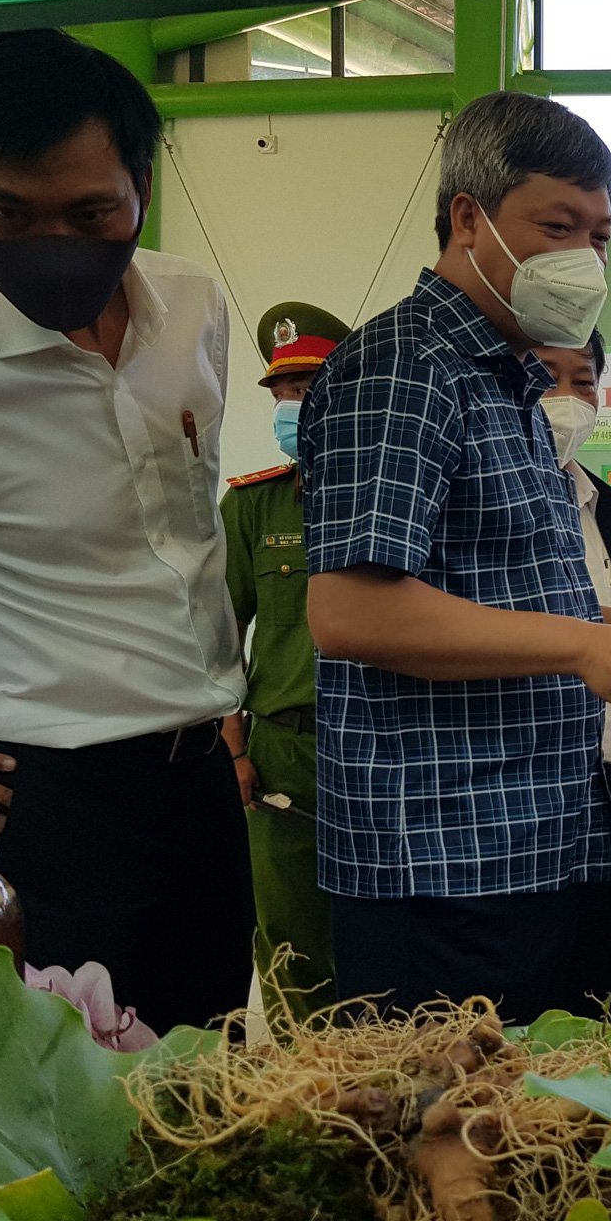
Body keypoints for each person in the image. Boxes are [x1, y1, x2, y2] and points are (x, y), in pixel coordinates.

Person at [301, 91, 611, 1023]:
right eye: (557, 227)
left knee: (550, 1135)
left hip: (540, 842)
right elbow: (352, 611)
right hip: (443, 862)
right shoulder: (405, 367)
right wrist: (585, 650)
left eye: (600, 234)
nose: (585, 259)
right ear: (469, 218)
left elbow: (473, 588)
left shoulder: (507, 377)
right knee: (455, 1140)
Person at [0, 30, 251, 1032]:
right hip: (35, 805)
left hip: (202, 791)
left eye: (89, 211)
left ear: (142, 185)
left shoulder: (194, 308)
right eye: (7, 214)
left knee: (203, 1085)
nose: (54, 241)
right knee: (59, 1122)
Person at [218, 302, 350, 1018]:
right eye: (283, 393)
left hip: (383, 747)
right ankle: (314, 1101)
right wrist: (230, 740)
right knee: (292, 947)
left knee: (382, 936)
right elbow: (213, 632)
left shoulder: (401, 494)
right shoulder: (254, 507)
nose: (291, 407)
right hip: (281, 753)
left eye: (308, 389)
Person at [536, 329, 611, 1020]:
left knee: (602, 1006)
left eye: (581, 381)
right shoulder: (473, 500)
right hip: (513, 800)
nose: (565, 398)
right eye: (545, 376)